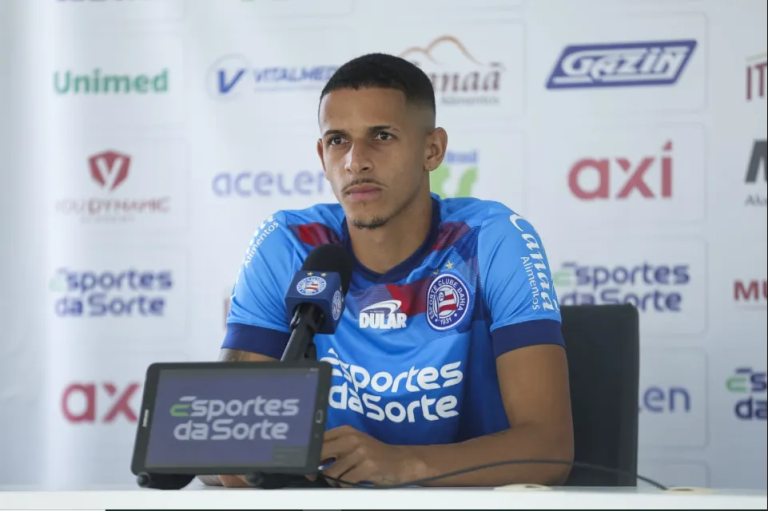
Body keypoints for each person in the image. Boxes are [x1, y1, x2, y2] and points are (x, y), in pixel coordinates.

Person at [201, 53, 573, 488]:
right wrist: (268, 461)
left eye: (381, 135)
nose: (356, 161)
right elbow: (223, 445)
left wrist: (403, 465)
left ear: (432, 150)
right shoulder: (288, 243)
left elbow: (550, 449)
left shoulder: (490, 238)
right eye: (338, 140)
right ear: (322, 156)